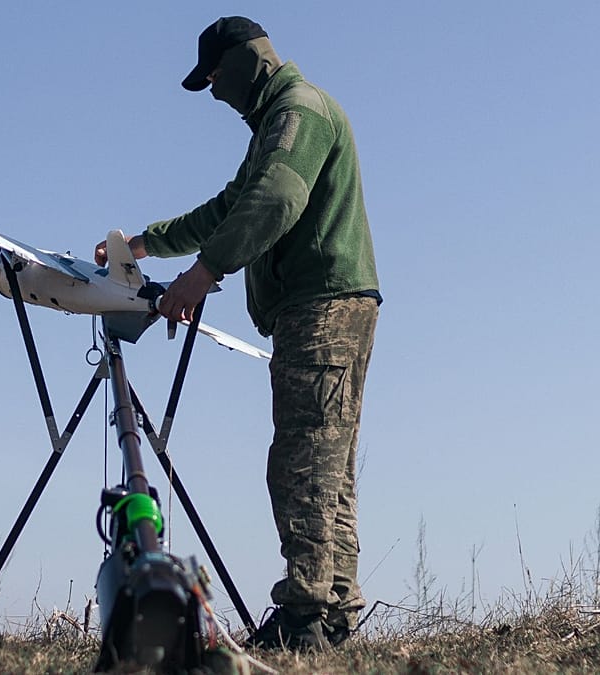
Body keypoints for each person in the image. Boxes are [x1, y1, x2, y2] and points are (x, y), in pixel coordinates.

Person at [94, 17, 381, 651]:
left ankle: (304, 617)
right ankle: (334, 611)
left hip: (321, 305)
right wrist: (149, 242)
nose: (216, 92)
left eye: (217, 76)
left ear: (248, 61)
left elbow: (273, 199)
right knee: (327, 462)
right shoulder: (279, 122)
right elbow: (231, 206)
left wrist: (203, 273)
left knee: (303, 461)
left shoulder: (297, 112)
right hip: (324, 304)